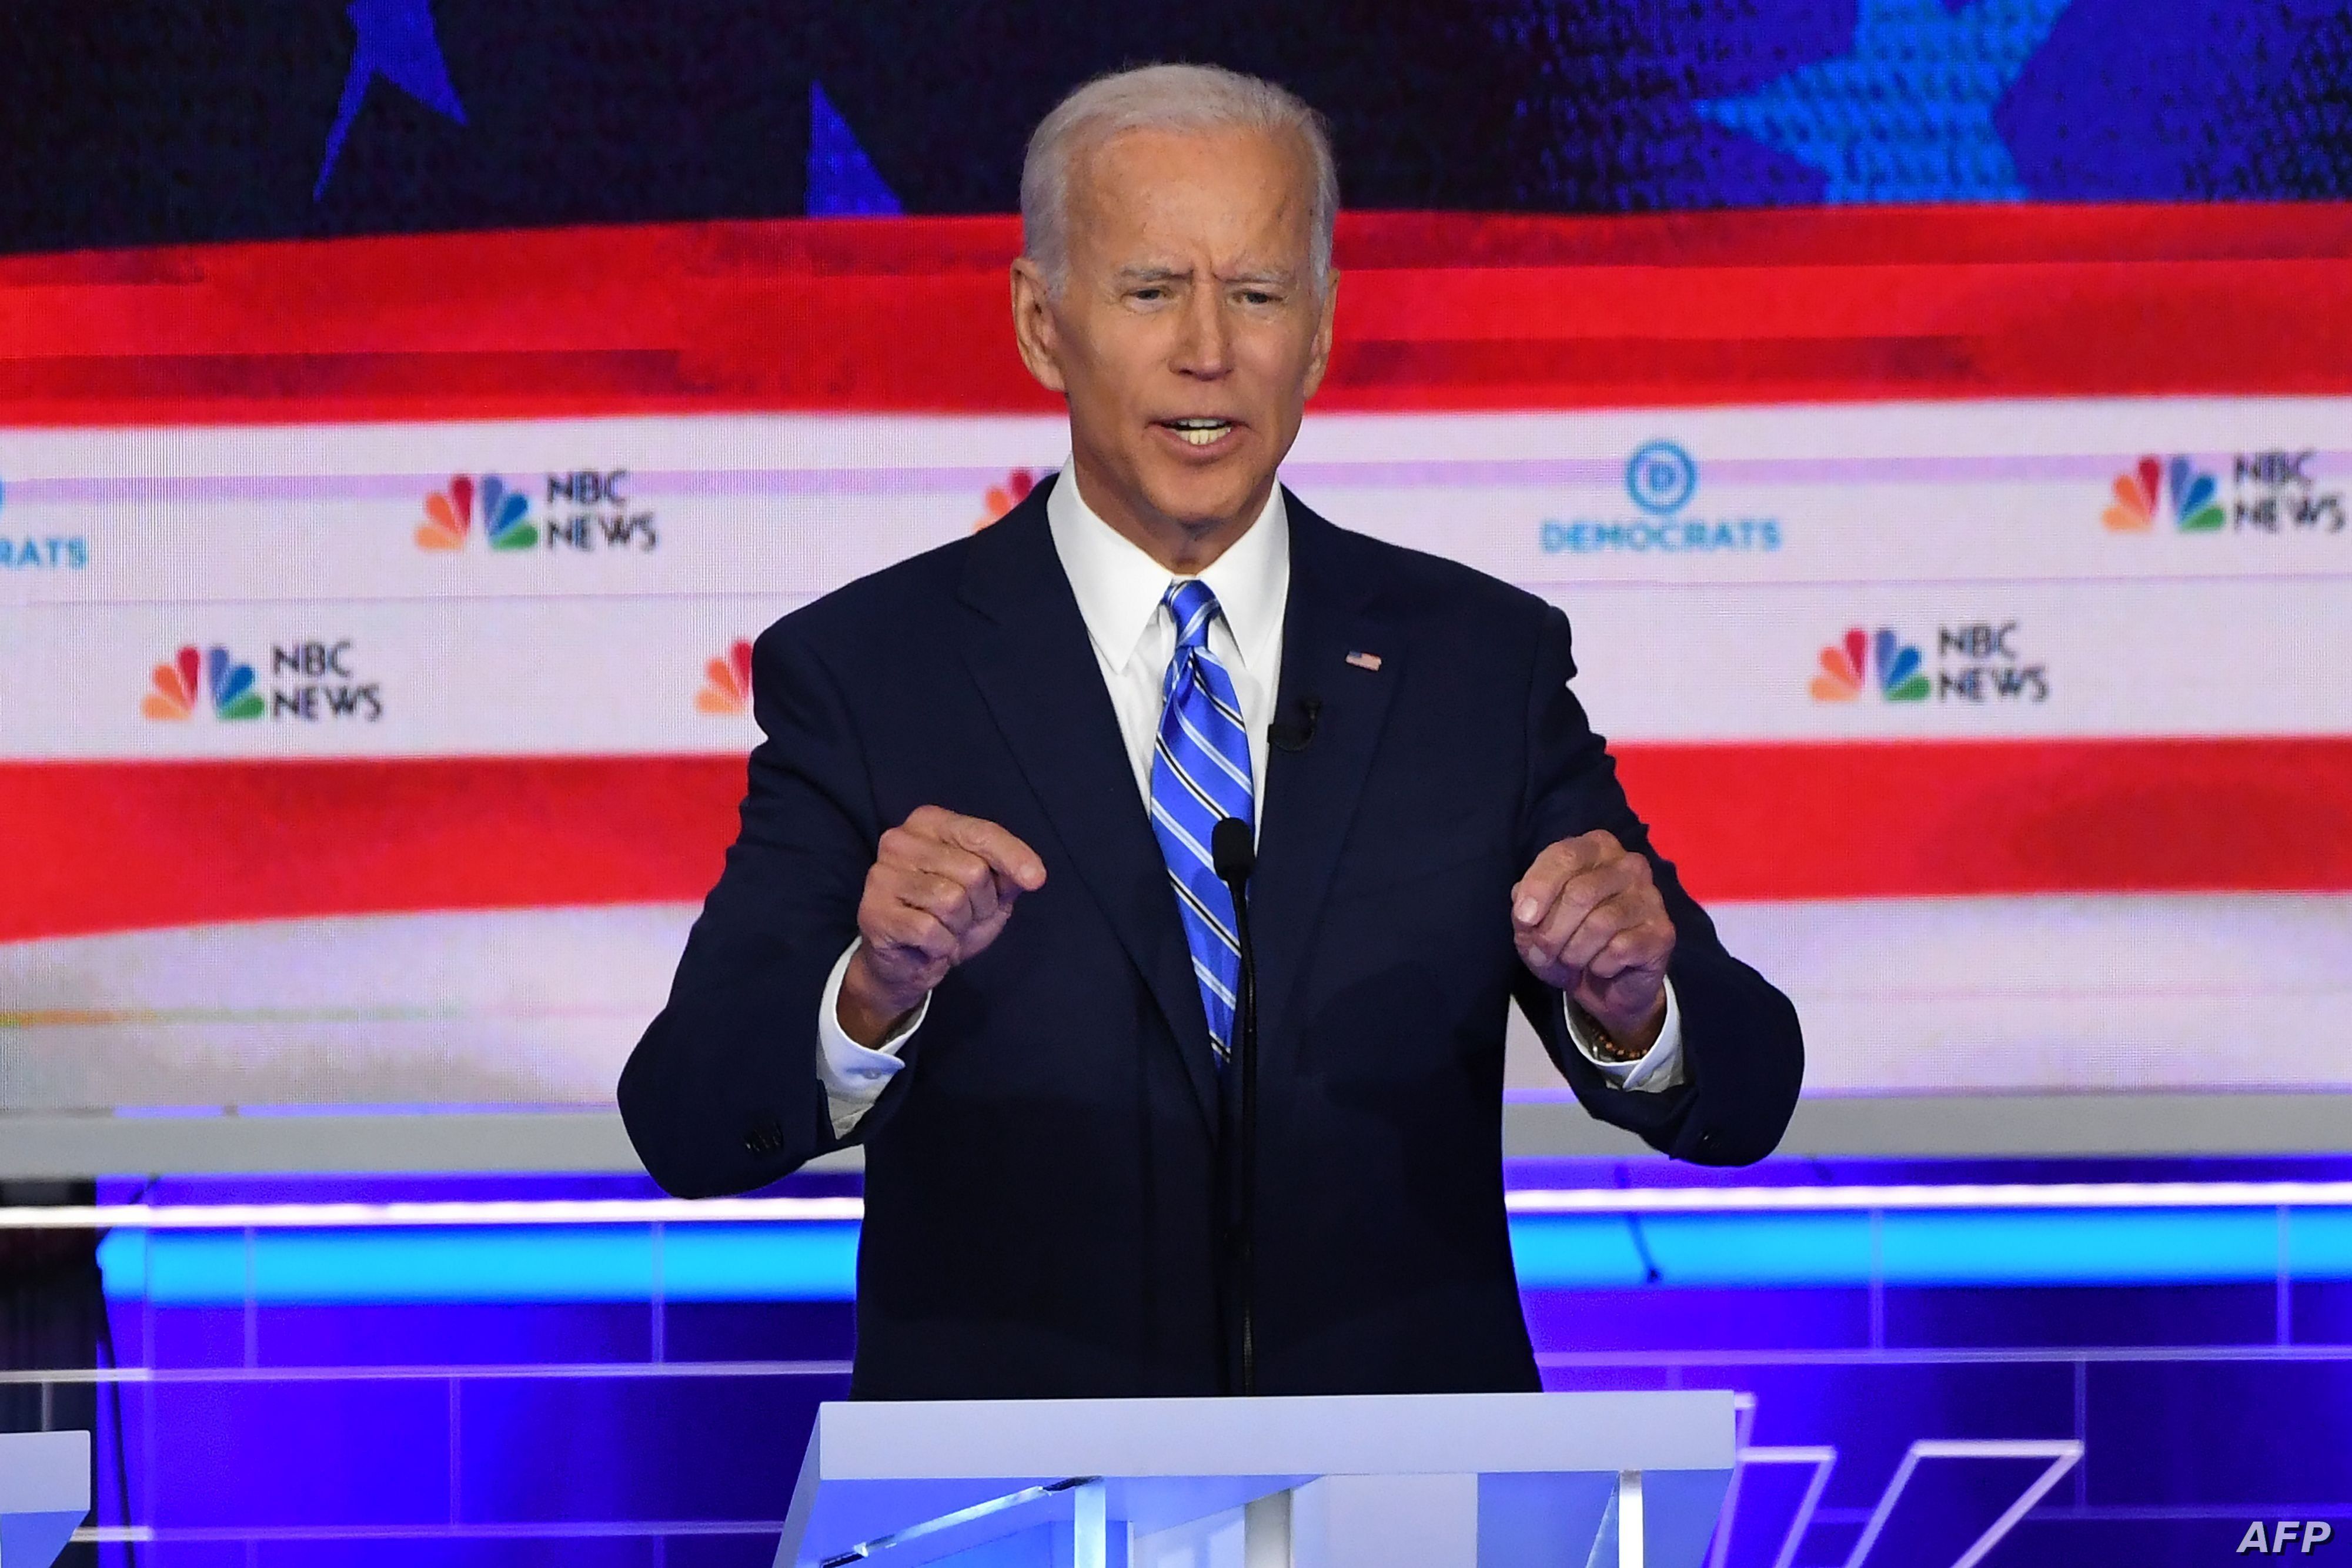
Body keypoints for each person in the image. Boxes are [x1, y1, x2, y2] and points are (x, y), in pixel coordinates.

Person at [619, 63, 1802, 1400]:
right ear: (1037, 321)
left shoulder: (1476, 664)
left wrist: (1632, 1006)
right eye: (1147, 290)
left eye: (1254, 293)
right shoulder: (872, 672)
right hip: (1019, 1506)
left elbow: (1743, 1085)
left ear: (1317, 328)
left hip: (1399, 1505)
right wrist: (868, 994)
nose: (1207, 349)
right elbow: (690, 1115)